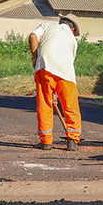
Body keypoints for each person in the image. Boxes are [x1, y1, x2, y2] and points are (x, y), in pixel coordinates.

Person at [29, 14, 82, 151]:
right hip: (66, 74)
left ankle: (46, 142)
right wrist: (57, 93)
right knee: (70, 106)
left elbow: (33, 37)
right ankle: (73, 141)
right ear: (73, 29)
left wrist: (34, 58)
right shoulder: (72, 40)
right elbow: (66, 64)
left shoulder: (47, 26)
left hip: (44, 67)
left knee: (45, 104)